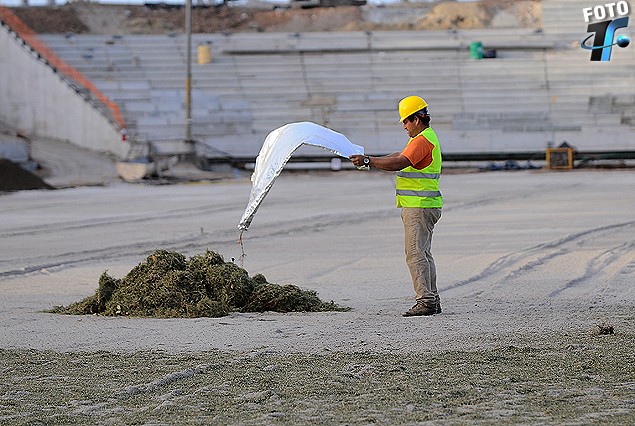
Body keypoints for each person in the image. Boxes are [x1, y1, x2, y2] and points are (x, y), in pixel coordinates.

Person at [350, 95, 443, 317]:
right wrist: (369, 159)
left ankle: (426, 301)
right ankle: (433, 299)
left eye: (405, 121)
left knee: (414, 254)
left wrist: (368, 161)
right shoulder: (424, 138)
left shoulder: (422, 140)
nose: (403, 126)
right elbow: (399, 155)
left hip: (419, 205)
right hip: (425, 204)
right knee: (424, 253)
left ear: (417, 119)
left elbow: (400, 162)